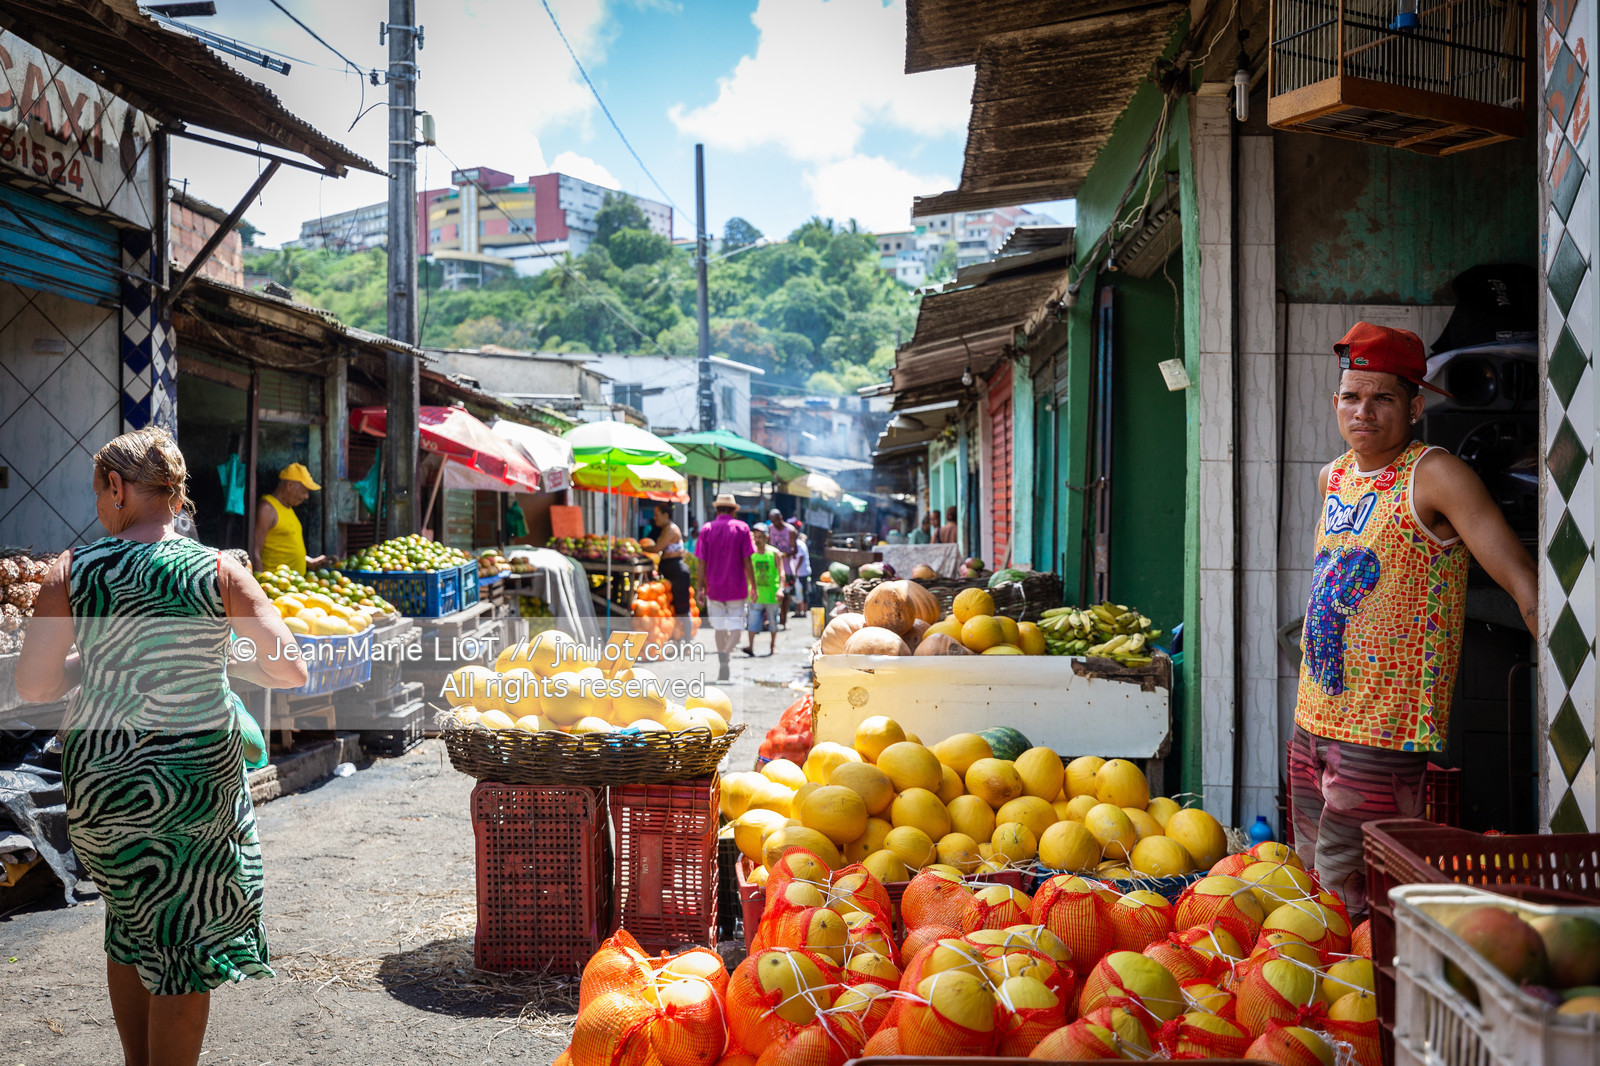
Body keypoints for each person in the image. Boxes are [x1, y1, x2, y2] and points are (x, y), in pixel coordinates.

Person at [15, 427, 309, 1066]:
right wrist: (219, 656)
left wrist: (97, 659)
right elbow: (289, 670)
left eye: (99, 491)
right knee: (181, 943)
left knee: (128, 922)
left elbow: (34, 684)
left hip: (102, 791)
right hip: (191, 791)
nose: (98, 503)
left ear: (118, 488)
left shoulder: (72, 571)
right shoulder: (220, 570)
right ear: (174, 495)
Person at [1289, 322, 1537, 919]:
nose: (1363, 411)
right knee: (1307, 883)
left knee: (1353, 894)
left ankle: (1366, 1006)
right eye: (1352, 396)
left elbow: (1522, 579)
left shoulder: (1436, 474)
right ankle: (1323, 1003)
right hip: (1313, 715)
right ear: (1335, 403)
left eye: (1383, 398)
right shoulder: (1334, 476)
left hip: (1383, 730)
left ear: (1415, 406)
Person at [694, 493, 755, 681]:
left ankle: (723, 660)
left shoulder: (707, 529)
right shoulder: (742, 528)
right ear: (733, 511)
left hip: (714, 587)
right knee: (737, 627)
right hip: (737, 587)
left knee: (719, 627)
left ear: (717, 509)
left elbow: (701, 562)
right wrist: (753, 585)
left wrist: (700, 588)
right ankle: (726, 654)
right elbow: (747, 560)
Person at [252, 462, 326, 574]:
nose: (306, 496)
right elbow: (254, 551)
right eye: (305, 490)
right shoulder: (267, 508)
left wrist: (309, 561)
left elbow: (283, 548)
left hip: (294, 586)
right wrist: (258, 586)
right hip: (275, 586)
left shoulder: (288, 509)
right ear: (290, 485)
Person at [649, 501, 692, 644]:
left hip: (678, 572)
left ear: (666, 515)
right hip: (671, 570)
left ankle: (687, 641)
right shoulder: (664, 529)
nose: (655, 518)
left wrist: (640, 548)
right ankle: (678, 639)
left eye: (657, 515)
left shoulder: (671, 530)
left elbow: (656, 548)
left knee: (682, 609)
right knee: (673, 608)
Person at [743, 523, 784, 657]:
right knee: (752, 622)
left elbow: (781, 572)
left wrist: (781, 589)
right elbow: (745, 573)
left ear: (766, 537)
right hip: (755, 595)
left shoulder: (774, 553)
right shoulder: (751, 554)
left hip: (772, 594)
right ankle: (750, 647)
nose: (757, 540)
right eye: (755, 537)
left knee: (773, 623)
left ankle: (772, 647)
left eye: (760, 537)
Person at [766, 508, 796, 631]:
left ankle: (785, 620)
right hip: (774, 568)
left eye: (776, 522)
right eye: (772, 522)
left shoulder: (790, 531)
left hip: (787, 568)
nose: (775, 524)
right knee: (773, 595)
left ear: (781, 518)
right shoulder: (770, 529)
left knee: (786, 596)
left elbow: (795, 550)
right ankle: (774, 619)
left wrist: (783, 555)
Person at [789, 517, 812, 618]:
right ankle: (798, 611)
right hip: (796, 573)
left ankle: (804, 611)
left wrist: (796, 570)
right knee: (796, 592)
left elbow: (801, 558)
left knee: (804, 592)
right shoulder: (793, 544)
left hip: (802, 572)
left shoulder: (800, 544)